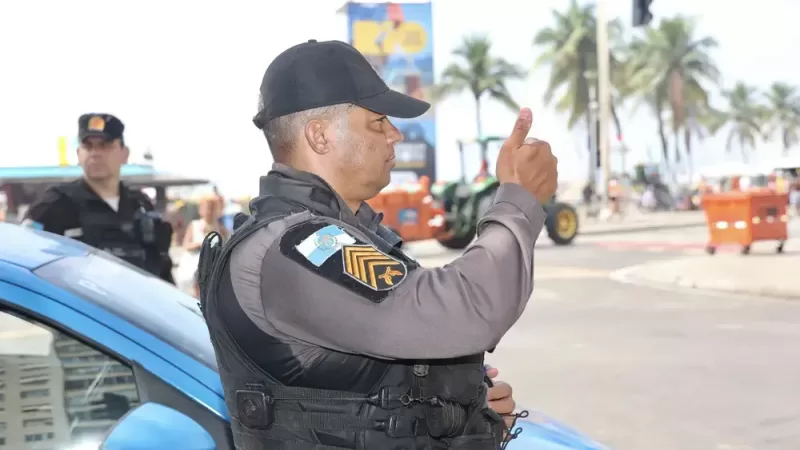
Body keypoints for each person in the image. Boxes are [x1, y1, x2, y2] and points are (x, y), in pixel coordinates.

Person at [198, 39, 557, 450]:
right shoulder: (299, 246)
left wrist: (467, 408)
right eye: (378, 122)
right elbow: (466, 309)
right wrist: (518, 199)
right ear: (319, 136)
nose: (396, 135)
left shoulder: (334, 235)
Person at [23, 113, 175, 283]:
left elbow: (162, 270)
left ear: (124, 154)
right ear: (79, 153)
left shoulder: (140, 205)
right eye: (88, 146)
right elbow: (24, 255)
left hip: (136, 306)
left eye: (105, 145)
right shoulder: (55, 204)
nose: (95, 153)